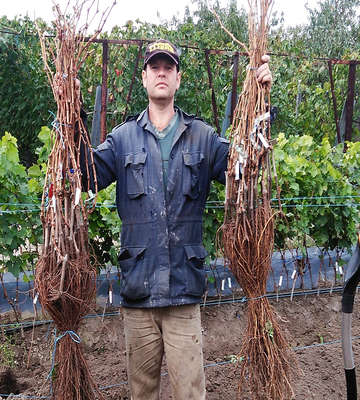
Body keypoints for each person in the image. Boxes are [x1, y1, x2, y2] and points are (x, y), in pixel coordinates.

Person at [83, 39, 272, 400]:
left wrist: (261, 101)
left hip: (184, 293)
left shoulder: (201, 136)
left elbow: (245, 167)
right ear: (144, 78)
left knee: (190, 394)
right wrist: (73, 112)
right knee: (143, 394)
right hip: (138, 294)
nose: (161, 73)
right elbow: (86, 172)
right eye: (155, 67)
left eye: (168, 67)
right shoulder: (123, 139)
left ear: (178, 78)